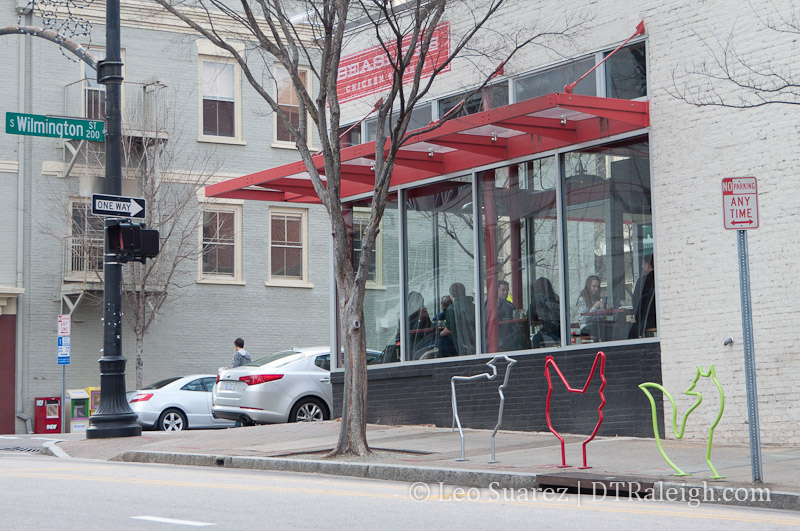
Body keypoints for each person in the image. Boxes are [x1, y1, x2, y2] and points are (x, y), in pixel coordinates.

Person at [440, 282, 476, 356]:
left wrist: (440, 334)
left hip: (459, 344)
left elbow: (450, 329)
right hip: (475, 341)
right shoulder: (473, 306)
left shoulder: (452, 308)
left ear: (451, 295)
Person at [396, 291, 434, 360]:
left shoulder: (422, 313)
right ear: (411, 303)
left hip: (423, 345)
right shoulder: (405, 317)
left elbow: (429, 330)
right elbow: (411, 335)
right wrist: (419, 320)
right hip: (410, 348)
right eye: (417, 302)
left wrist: (425, 318)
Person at [629, 254, 656, 338]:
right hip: (658, 321)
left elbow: (638, 302)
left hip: (647, 322)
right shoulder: (660, 278)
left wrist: (636, 318)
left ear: (648, 265)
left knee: (631, 332)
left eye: (644, 264)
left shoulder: (644, 281)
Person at [530, 277, 561, 348]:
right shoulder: (556, 297)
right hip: (560, 330)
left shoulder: (538, 297)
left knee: (535, 339)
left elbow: (530, 316)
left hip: (548, 330)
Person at [494, 280, 517, 352]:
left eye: (507, 290)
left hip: (509, 339)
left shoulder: (510, 305)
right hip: (497, 340)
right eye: (503, 290)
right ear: (496, 290)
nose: (506, 293)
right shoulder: (491, 305)